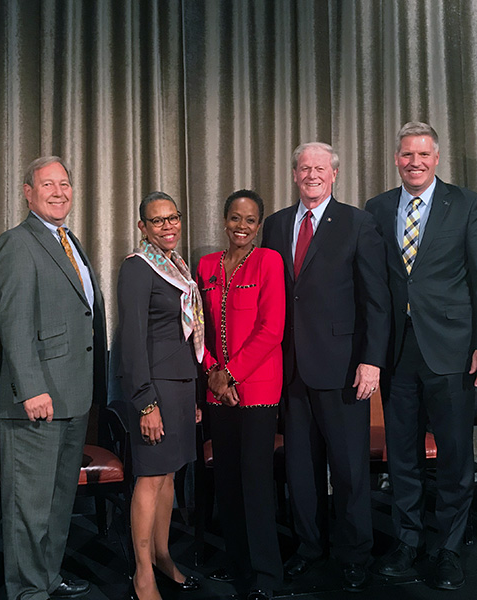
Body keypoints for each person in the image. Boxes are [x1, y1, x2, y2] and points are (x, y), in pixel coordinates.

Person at [365, 122, 477, 590]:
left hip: (452, 350)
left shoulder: (465, 204)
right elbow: (374, 286)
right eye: (406, 155)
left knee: (454, 456)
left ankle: (447, 547)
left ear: (437, 158)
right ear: (397, 158)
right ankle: (406, 540)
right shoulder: (378, 208)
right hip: (397, 351)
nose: (415, 162)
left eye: (423, 154)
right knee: (401, 454)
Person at [261, 142, 390, 591]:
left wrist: (372, 361)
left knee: (350, 469)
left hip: (343, 369)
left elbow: (377, 300)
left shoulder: (358, 223)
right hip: (291, 370)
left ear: (334, 174)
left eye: (320, 168)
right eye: (304, 168)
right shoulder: (275, 224)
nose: (312, 175)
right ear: (294, 174)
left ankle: (355, 554)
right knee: (301, 468)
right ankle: (310, 547)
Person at [0, 156, 105, 599]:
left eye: (65, 184)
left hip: (72, 396)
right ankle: (27, 592)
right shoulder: (17, 243)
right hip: (37, 400)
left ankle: (48, 577)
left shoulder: (68, 240)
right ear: (27, 191)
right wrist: (32, 387)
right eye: (47, 184)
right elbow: (12, 323)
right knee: (28, 509)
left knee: (57, 505)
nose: (59, 192)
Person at [196, 190, 286, 600]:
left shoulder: (270, 261)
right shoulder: (206, 265)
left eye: (250, 220)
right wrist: (215, 373)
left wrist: (230, 374)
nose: (242, 227)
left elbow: (272, 329)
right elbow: (199, 328)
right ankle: (237, 565)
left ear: (260, 224)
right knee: (227, 483)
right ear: (225, 220)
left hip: (259, 387)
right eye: (235, 218)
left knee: (255, 483)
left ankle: (266, 575)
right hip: (218, 388)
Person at [118, 191, 203, 600]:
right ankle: (142, 571)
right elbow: (132, 341)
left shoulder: (177, 266)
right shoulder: (138, 269)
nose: (168, 226)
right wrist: (145, 402)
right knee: (150, 477)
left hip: (182, 385)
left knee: (169, 475)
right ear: (142, 227)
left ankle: (163, 555)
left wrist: (196, 395)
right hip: (154, 390)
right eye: (157, 221)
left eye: (173, 218)